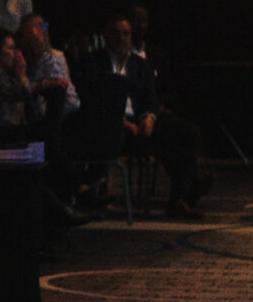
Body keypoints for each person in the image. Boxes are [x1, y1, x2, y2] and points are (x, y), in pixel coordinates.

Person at [78, 15, 204, 217]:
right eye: (116, 34)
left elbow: (150, 99)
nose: (122, 39)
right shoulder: (93, 63)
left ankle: (180, 198)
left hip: (138, 122)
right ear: (105, 36)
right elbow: (92, 101)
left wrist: (149, 117)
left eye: (126, 34)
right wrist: (122, 122)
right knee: (111, 134)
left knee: (185, 132)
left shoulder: (140, 65)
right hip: (111, 123)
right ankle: (87, 188)